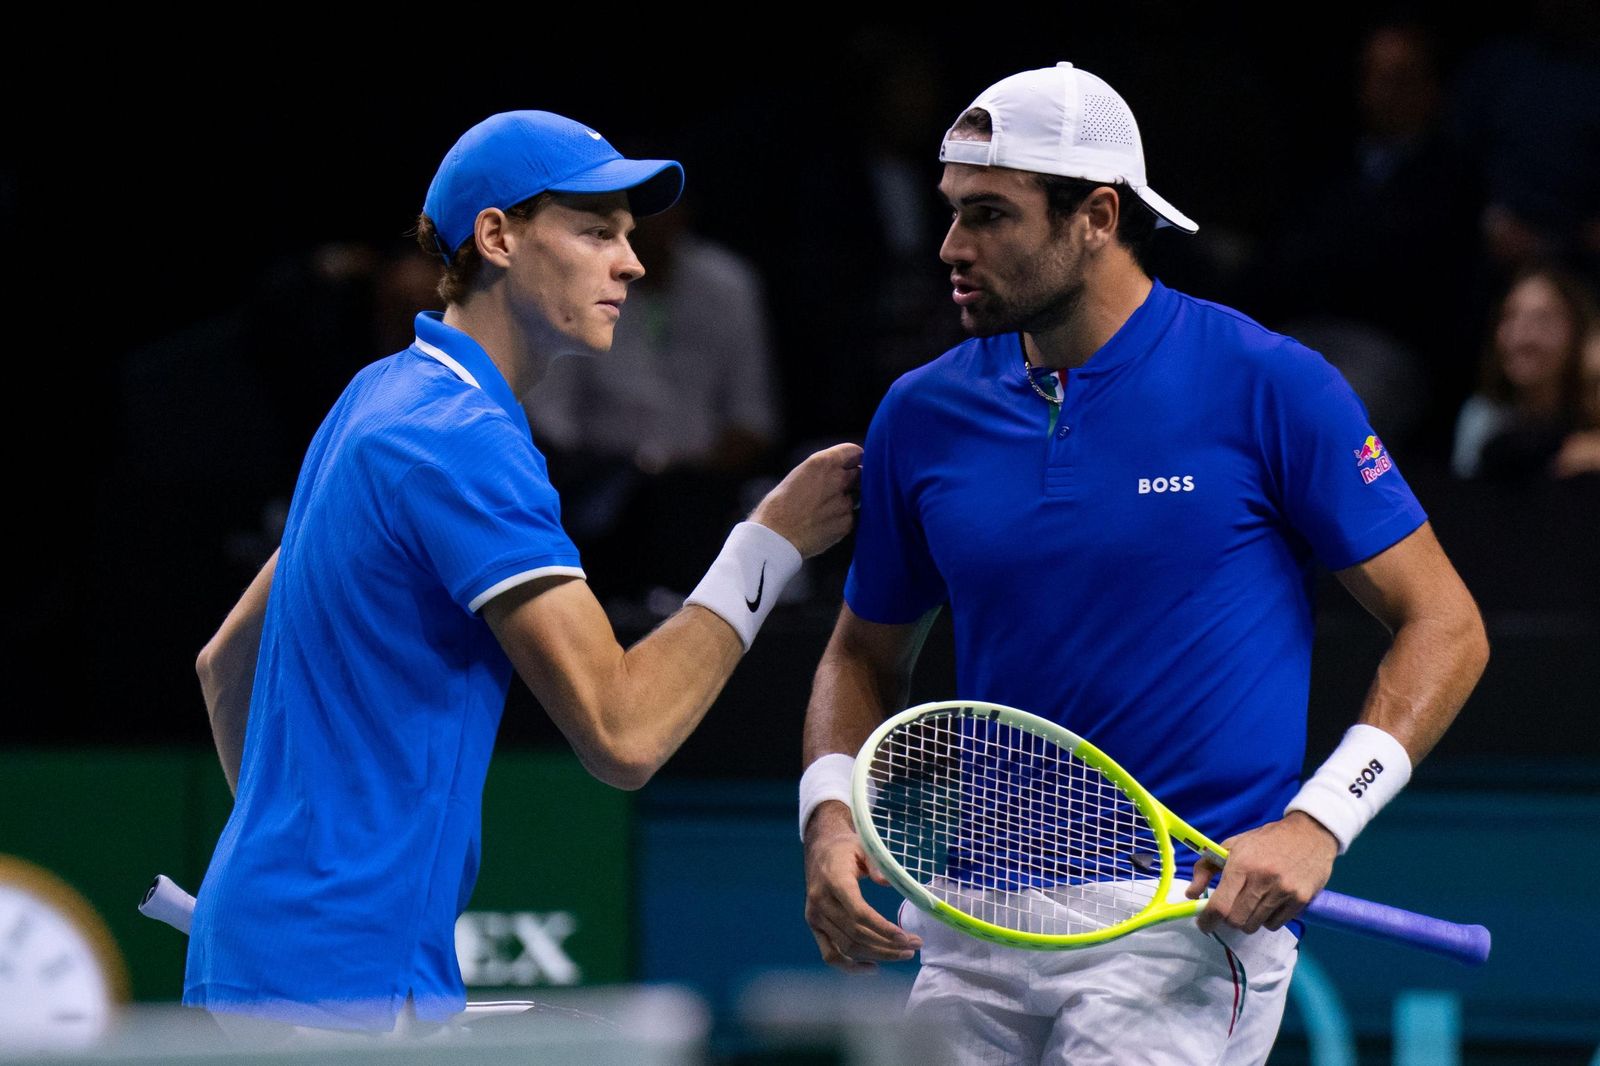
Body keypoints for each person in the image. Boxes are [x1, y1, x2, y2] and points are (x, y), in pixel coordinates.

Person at [798, 64, 1488, 1066]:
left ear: (1097, 216)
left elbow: (1445, 624)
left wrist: (1319, 822)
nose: (950, 247)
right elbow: (861, 653)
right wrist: (828, 812)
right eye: (951, 212)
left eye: (989, 215)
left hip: (1178, 926)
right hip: (972, 920)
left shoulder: (1269, 384)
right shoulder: (920, 413)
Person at [184, 110, 861, 1034]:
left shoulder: (379, 395)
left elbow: (226, 662)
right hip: (344, 990)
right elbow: (624, 732)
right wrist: (769, 544)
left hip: (265, 952)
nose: (631, 261)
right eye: (595, 231)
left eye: (629, 235)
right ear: (497, 237)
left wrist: (308, 875)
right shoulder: (466, 445)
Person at [1451, 265, 1597, 480]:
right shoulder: (1482, 417)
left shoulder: (1593, 408)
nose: (1521, 335)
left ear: (1578, 332)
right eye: (1510, 317)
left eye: (1542, 319)